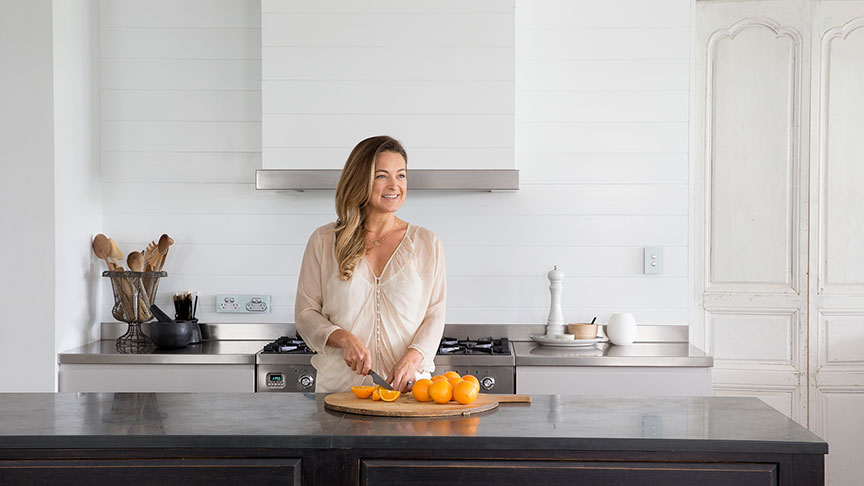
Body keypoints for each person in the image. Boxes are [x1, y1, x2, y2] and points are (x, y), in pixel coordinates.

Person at [294, 135, 446, 393]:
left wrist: (412, 359)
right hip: (340, 392)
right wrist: (342, 338)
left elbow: (435, 314)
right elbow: (305, 313)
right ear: (360, 180)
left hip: (407, 391)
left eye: (401, 175)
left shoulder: (426, 243)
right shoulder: (324, 241)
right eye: (381, 176)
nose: (395, 185)